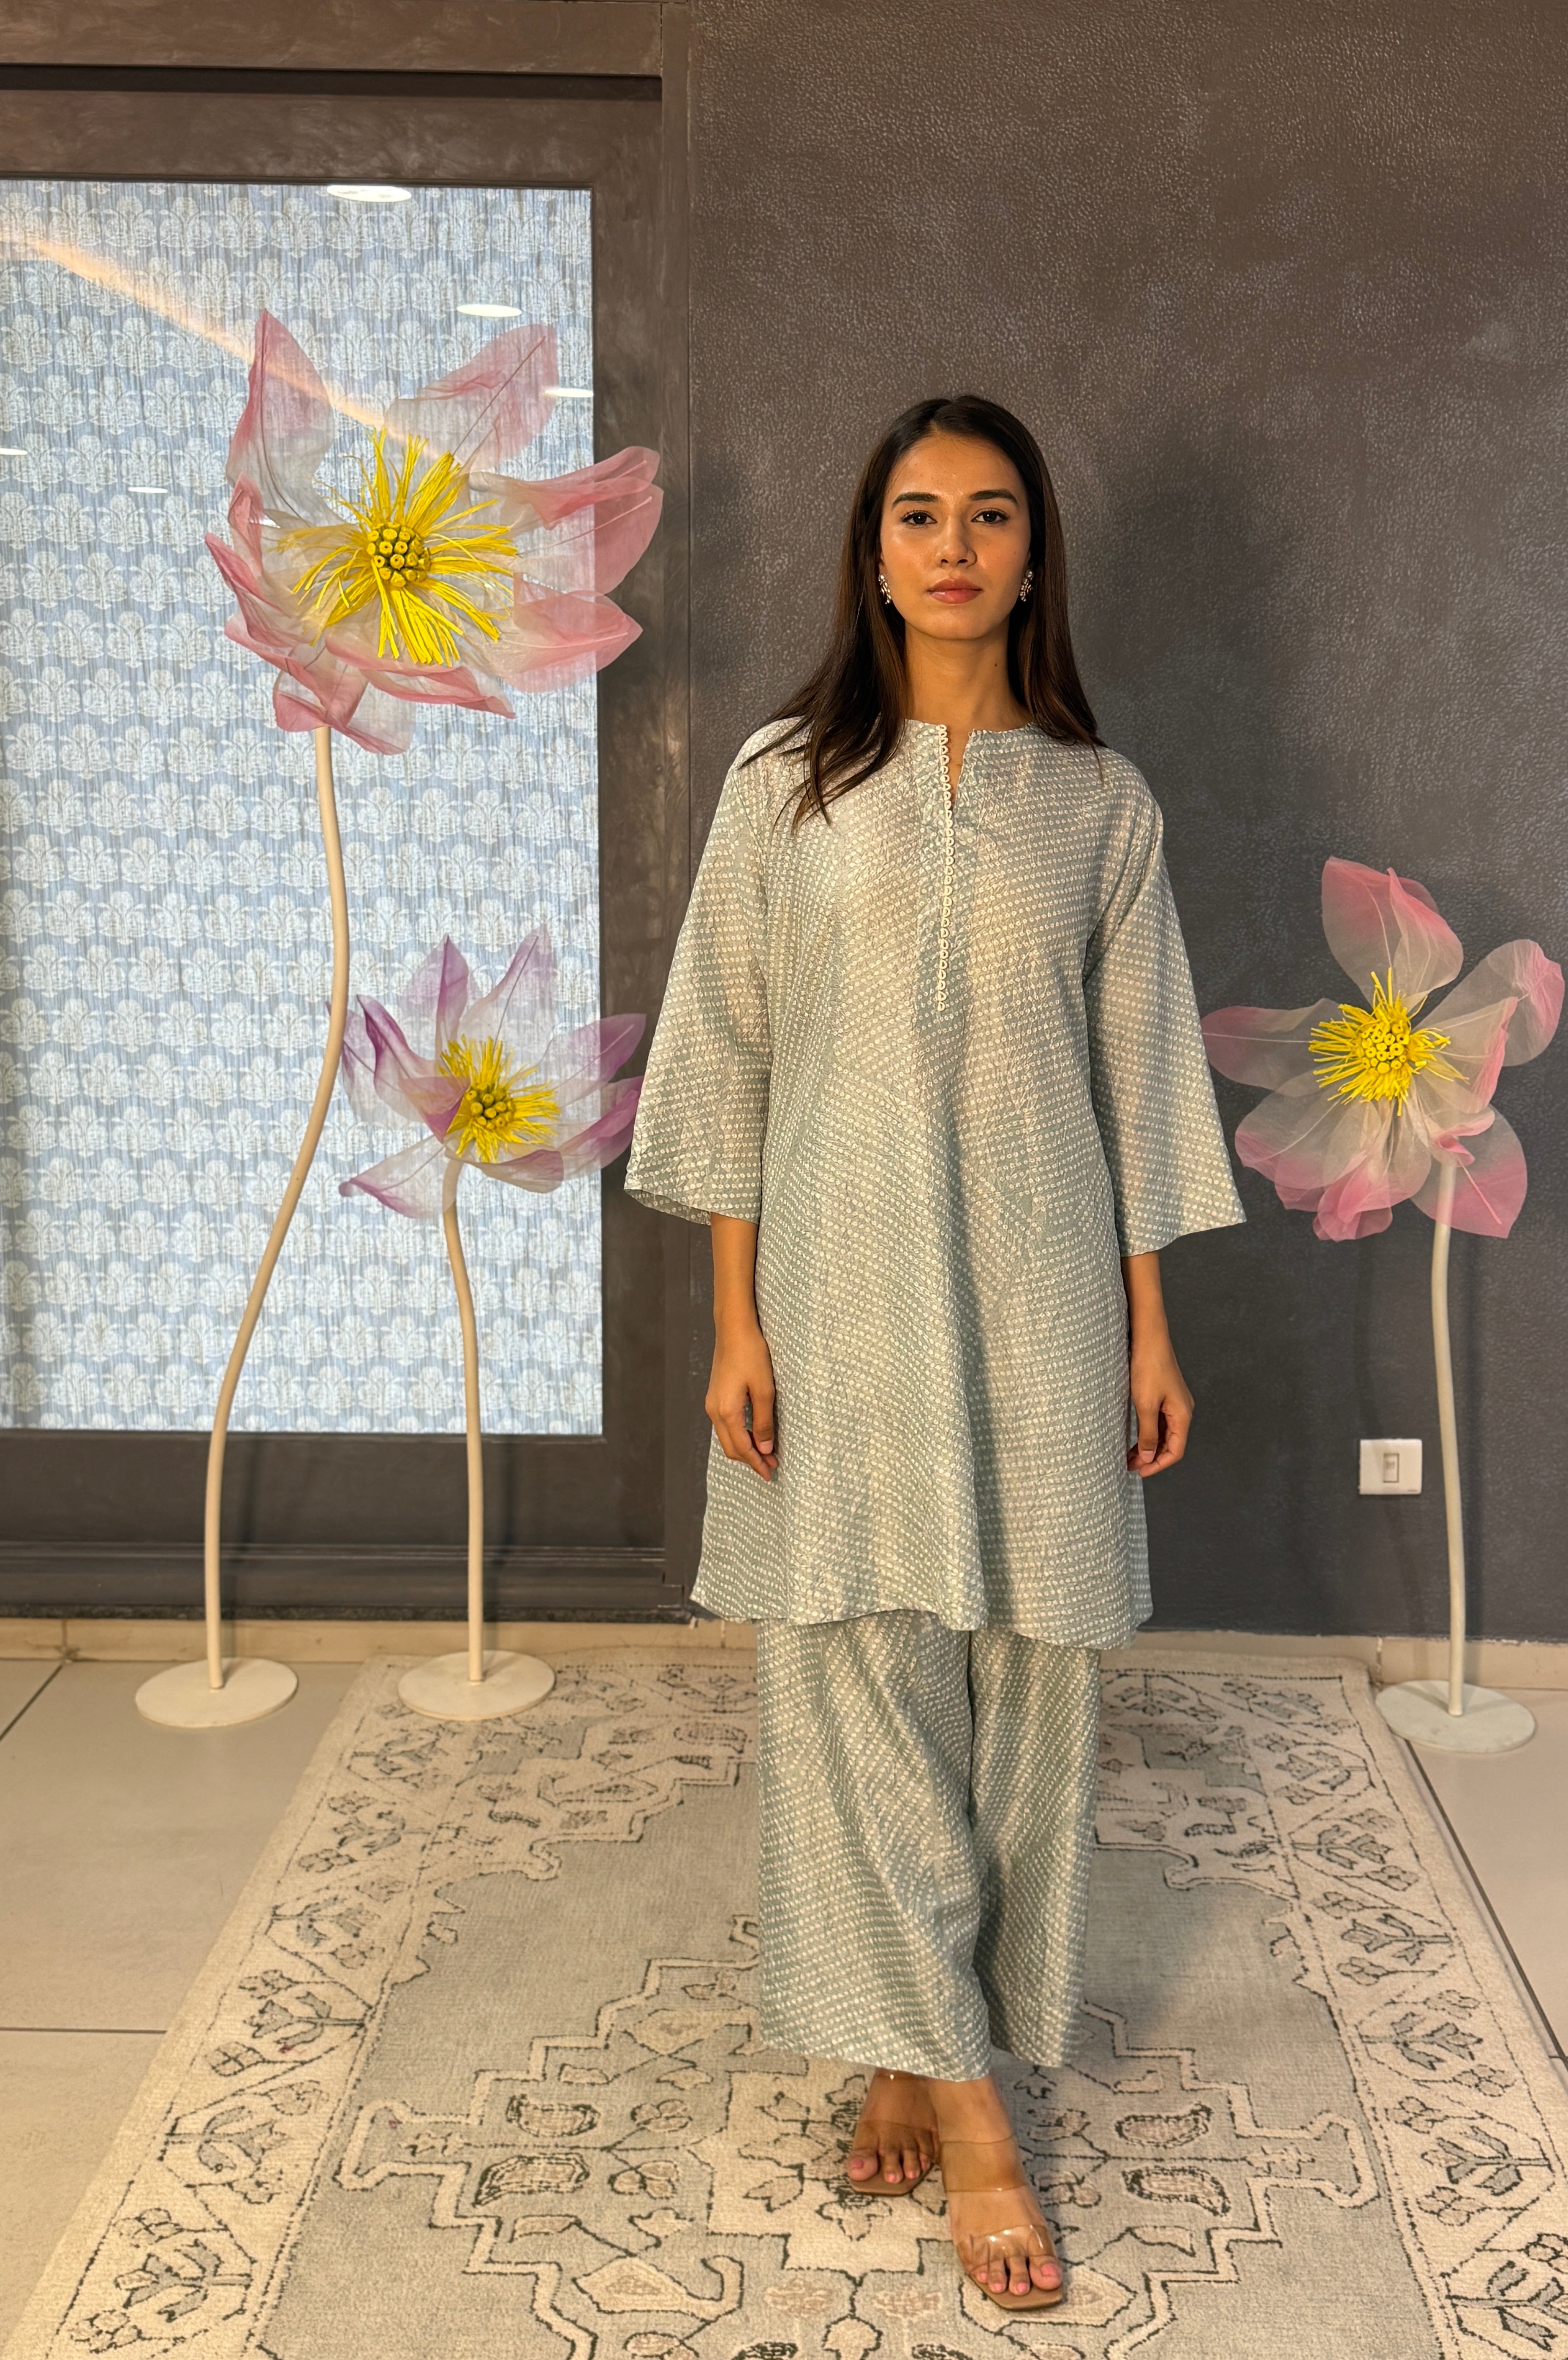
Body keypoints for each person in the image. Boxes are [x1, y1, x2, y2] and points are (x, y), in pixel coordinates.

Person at [623, 395, 1242, 2310]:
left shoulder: (1101, 807)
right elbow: (727, 1055)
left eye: (987, 515)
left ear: (1033, 553)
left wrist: (1149, 1329)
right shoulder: (784, 786)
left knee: (1031, 1677)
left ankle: (915, 2032)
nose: (952, 546)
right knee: (860, 1667)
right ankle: (972, 2110)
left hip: (1046, 1298)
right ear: (873, 552)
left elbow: (1141, 1081)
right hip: (840, 1292)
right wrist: (735, 1321)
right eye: (917, 514)